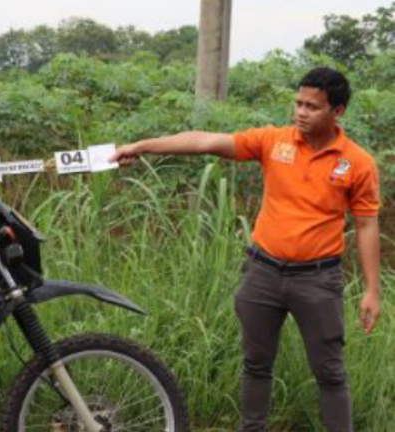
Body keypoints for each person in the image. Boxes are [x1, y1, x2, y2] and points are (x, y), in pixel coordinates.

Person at [110, 67, 380, 432]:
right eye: (298, 103)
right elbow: (205, 141)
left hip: (317, 281)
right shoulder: (274, 141)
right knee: (256, 364)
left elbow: (366, 224)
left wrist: (371, 291)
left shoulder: (357, 162)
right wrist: (142, 147)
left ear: (338, 112)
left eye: (312, 107)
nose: (300, 112)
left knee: (330, 373)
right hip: (263, 273)